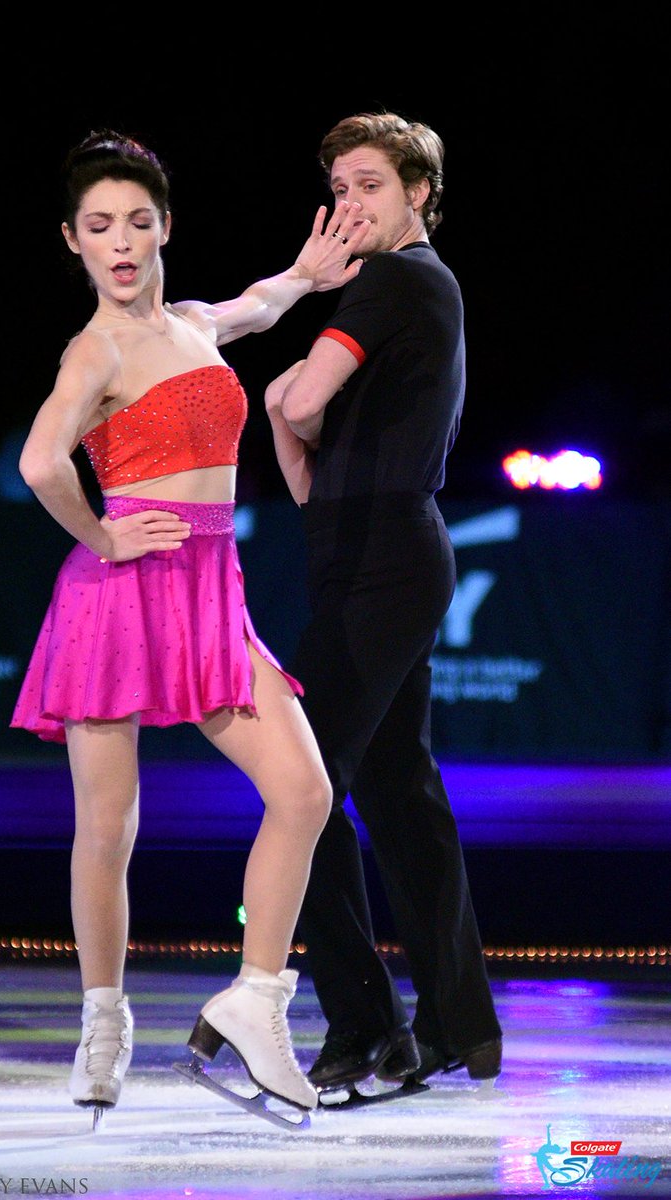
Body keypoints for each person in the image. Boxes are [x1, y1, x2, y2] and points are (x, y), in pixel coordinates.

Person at [10, 129, 370, 1118]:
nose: (120, 242)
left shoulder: (195, 326)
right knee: (108, 824)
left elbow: (255, 306)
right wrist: (103, 535)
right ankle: (103, 1021)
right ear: (74, 241)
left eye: (137, 221)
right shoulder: (95, 349)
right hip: (116, 596)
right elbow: (41, 463)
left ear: (164, 226)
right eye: (98, 227)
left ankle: (256, 998)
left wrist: (305, 276)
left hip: (209, 593)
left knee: (303, 790)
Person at [264, 112, 502, 1094]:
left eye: (369, 184)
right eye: (338, 188)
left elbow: (296, 405)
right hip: (369, 553)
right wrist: (288, 405)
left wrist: (294, 372)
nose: (350, 203)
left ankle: (365, 1024)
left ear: (418, 192)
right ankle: (458, 1025)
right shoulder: (416, 289)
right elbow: (302, 460)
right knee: (400, 796)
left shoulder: (397, 280)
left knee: (300, 784)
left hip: (384, 563)